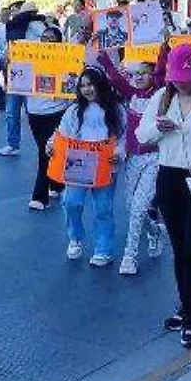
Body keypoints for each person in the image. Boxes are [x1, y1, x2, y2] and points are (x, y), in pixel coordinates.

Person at [136, 44, 191, 349]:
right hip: (170, 176)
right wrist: (158, 127)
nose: (180, 82)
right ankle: (186, 306)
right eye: (175, 76)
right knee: (180, 249)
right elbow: (141, 135)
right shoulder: (161, 98)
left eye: (186, 76)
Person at [96, 50, 168, 276]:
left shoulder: (161, 93)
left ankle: (130, 256)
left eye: (144, 73)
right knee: (131, 207)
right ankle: (154, 231)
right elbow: (116, 79)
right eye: (135, 74)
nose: (138, 78)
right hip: (132, 158)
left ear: (153, 75)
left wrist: (164, 48)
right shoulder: (131, 94)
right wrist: (104, 59)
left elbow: (163, 69)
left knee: (138, 208)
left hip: (155, 157)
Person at [51, 68, 125, 267]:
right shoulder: (74, 111)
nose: (86, 89)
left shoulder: (117, 110)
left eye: (90, 84)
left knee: (103, 208)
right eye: (82, 85)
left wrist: (119, 153)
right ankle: (75, 238)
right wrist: (52, 146)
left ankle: (104, 249)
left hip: (105, 166)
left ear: (100, 84)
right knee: (71, 202)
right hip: (78, 163)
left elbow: (124, 136)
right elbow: (61, 133)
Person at [26, 26, 70, 210]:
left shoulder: (66, 60)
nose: (46, 41)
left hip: (56, 112)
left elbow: (71, 87)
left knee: (45, 152)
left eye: (51, 38)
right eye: (44, 38)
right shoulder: (30, 57)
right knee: (47, 150)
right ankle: (57, 183)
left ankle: (39, 196)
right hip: (34, 113)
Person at [0, 1, 47, 157]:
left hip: (19, 73)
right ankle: (42, 144)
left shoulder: (19, 27)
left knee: (14, 111)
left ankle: (15, 144)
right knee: (31, 111)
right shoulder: (42, 26)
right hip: (27, 72)